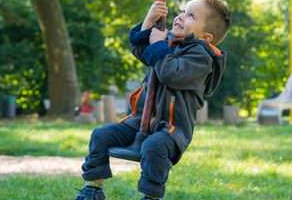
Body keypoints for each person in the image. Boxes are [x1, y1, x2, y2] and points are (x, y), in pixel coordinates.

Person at [74, 0, 230, 199]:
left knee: (153, 147)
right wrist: (149, 22)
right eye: (182, 11)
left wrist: (157, 43)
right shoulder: (169, 44)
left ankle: (151, 196)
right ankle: (93, 189)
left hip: (172, 128)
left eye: (191, 16)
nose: (181, 16)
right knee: (100, 136)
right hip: (140, 121)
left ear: (207, 37)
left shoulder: (201, 57)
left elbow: (169, 73)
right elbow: (139, 49)